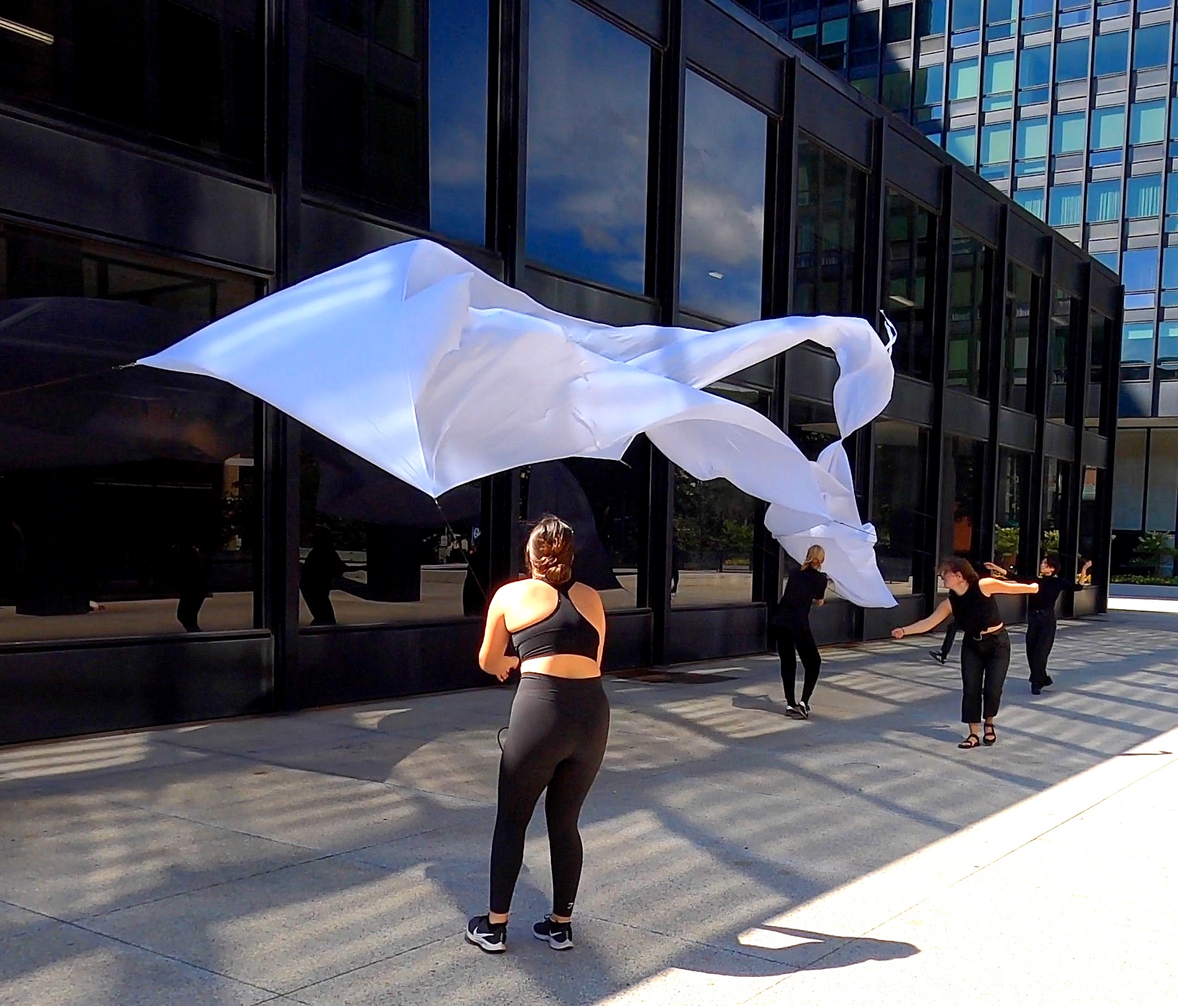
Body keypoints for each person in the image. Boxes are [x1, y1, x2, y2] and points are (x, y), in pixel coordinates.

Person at [466, 515, 609, 955]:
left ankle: (494, 927)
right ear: (571, 556)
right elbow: (595, 658)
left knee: (512, 819)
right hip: (592, 714)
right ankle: (561, 926)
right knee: (565, 822)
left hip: (541, 710)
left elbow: (488, 660)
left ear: (530, 555)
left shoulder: (510, 594)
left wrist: (511, 662)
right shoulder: (591, 598)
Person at [890, 557, 1038, 749]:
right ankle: (973, 733)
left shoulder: (983, 586)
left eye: (945, 575)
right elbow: (929, 622)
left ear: (959, 575)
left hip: (997, 643)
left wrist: (1033, 588)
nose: (942, 578)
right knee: (971, 688)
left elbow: (1011, 588)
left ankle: (989, 723)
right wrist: (904, 631)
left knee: (993, 688)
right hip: (972, 645)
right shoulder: (950, 603)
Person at [986, 555, 1093, 695]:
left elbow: (1078, 587)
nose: (1042, 565)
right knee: (1031, 653)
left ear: (1052, 568)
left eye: (1045, 563)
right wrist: (996, 568)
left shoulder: (1058, 582)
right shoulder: (1034, 581)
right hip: (1033, 620)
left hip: (1047, 621)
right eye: (1042, 562)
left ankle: (1036, 682)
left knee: (1041, 654)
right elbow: (1014, 577)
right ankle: (1043, 678)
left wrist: (1084, 569)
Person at [772, 545, 828, 719]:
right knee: (813, 662)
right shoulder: (821, 578)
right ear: (822, 559)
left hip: (780, 620)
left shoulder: (795, 573)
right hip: (798, 623)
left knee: (788, 662)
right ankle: (803, 702)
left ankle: (790, 704)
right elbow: (819, 602)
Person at [300, 527, 347, 625]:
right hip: (316, 589)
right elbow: (341, 568)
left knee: (322, 617)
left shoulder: (315, 553)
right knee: (326, 619)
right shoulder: (328, 552)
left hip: (310, 589)